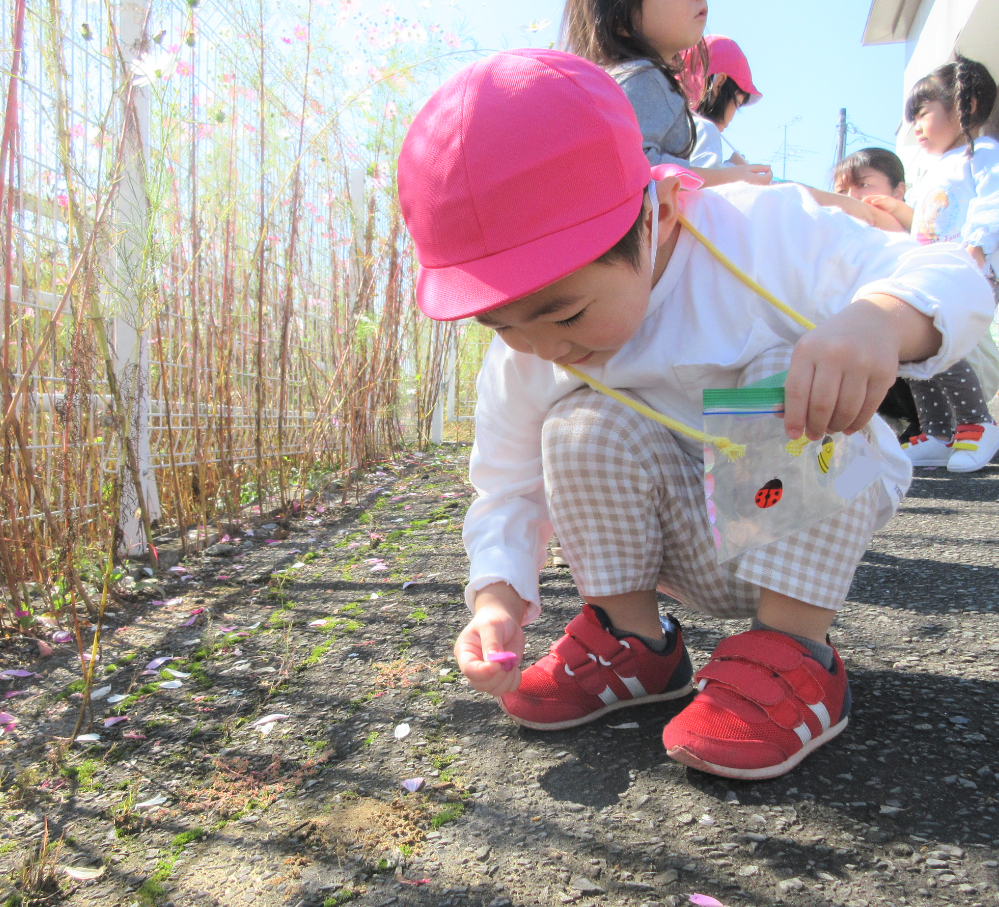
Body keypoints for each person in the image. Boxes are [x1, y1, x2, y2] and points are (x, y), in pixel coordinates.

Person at [396, 49, 993, 780]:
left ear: (659, 213)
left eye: (567, 313)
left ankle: (792, 652)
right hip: (679, 537)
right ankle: (633, 639)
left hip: (803, 528)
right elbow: (507, 484)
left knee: (784, 366)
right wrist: (496, 598)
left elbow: (951, 276)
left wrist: (878, 320)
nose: (541, 345)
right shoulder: (532, 348)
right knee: (578, 422)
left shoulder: (760, 233)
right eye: (502, 326)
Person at [862, 58, 999, 472]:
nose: (916, 126)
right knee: (918, 351)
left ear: (966, 106)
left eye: (923, 113)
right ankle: (938, 432)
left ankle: (977, 424)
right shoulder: (933, 169)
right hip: (932, 272)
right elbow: (927, 224)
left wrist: (978, 249)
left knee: (944, 345)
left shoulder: (982, 153)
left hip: (965, 271)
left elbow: (992, 202)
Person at [835, 145, 999, 453]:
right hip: (908, 372)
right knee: (900, 353)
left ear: (899, 190)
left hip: (961, 360)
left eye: (863, 184)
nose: (852, 195)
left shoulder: (902, 225)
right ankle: (933, 430)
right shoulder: (851, 238)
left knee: (925, 339)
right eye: (842, 189)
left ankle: (975, 421)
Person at [560, 0, 772, 187]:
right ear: (621, 17)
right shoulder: (644, 78)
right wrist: (730, 177)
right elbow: (637, 167)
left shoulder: (617, 77)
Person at [685, 35, 760, 170]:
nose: (732, 117)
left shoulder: (669, 118)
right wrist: (734, 168)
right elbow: (704, 186)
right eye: (736, 104)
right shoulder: (704, 129)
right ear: (719, 83)